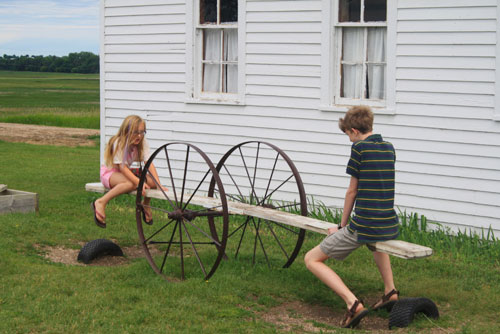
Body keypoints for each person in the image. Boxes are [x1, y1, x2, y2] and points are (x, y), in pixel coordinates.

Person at [304, 105, 400, 329]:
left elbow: (352, 191)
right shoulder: (389, 148)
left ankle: (352, 303)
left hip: (364, 224)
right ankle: (390, 291)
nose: (348, 139)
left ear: (355, 131)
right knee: (376, 244)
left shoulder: (359, 149)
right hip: (388, 223)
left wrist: (341, 226)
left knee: (311, 259)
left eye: (348, 134)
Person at [91, 115, 164, 228]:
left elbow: (148, 163)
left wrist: (159, 185)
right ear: (126, 131)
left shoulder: (142, 142)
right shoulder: (119, 142)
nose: (139, 136)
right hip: (110, 173)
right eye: (135, 132)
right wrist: (139, 183)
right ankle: (101, 202)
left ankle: (146, 204)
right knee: (131, 183)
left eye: (142, 132)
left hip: (124, 172)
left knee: (152, 182)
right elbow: (122, 168)